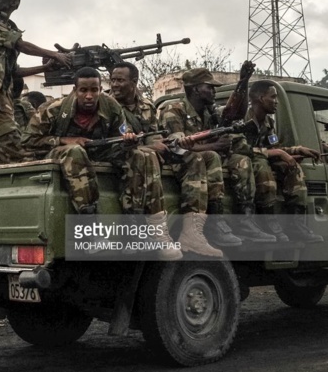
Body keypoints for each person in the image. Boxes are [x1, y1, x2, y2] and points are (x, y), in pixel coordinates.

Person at [22, 67, 183, 260]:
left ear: (100, 89)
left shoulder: (111, 106)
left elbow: (122, 134)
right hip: (61, 153)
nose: (89, 96)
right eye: (83, 91)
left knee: (142, 155)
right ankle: (91, 230)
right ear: (75, 90)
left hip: (101, 151)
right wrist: (63, 140)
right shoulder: (54, 109)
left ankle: (147, 229)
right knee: (75, 151)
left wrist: (128, 140)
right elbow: (27, 141)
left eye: (94, 90)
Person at [111, 62, 241, 250]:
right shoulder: (108, 105)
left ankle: (197, 228)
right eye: (113, 80)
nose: (115, 84)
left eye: (120, 80)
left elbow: (157, 135)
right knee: (144, 156)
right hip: (126, 156)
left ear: (134, 81)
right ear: (196, 89)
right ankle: (141, 227)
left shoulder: (146, 105)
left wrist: (161, 144)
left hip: (156, 152)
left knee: (203, 157)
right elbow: (112, 138)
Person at [159, 67, 275, 243]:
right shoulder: (174, 110)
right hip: (183, 162)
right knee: (212, 156)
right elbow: (177, 147)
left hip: (206, 158)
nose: (214, 91)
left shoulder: (210, 112)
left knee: (242, 161)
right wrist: (214, 145)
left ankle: (246, 220)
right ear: (196, 88)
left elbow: (236, 113)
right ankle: (215, 221)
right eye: (209, 87)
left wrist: (242, 84)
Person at [0, 0, 72, 165]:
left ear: (14, 3)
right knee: (14, 147)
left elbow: (14, 71)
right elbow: (21, 45)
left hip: (0, 96)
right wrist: (54, 54)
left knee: (2, 152)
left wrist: (44, 68)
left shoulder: (8, 27)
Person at [244, 80, 323, 242]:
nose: (276, 102)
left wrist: (296, 151)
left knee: (291, 166)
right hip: (244, 162)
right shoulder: (242, 120)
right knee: (261, 164)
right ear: (260, 98)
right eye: (273, 97)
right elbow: (239, 149)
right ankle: (269, 222)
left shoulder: (268, 122)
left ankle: (296, 223)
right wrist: (278, 152)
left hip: (260, 158)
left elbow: (274, 146)